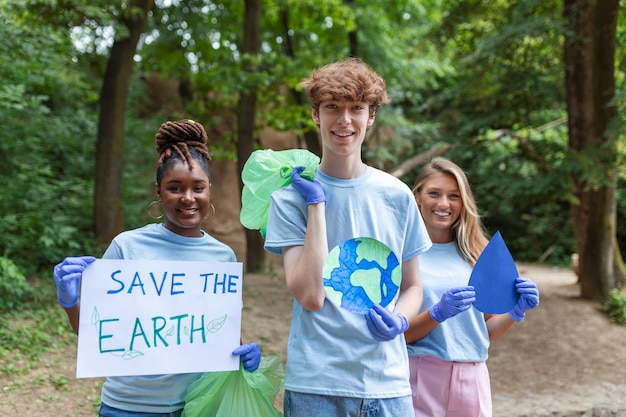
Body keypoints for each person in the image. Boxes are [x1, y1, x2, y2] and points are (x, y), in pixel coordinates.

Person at [53, 119, 261, 417]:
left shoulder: (223, 257)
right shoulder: (127, 247)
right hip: (127, 407)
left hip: (197, 405)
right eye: (174, 188)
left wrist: (243, 354)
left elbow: (217, 331)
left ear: (209, 190)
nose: (187, 198)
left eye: (197, 187)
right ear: (159, 192)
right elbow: (93, 334)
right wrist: (70, 302)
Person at [263, 57, 432, 416]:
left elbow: (413, 286)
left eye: (356, 108)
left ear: (371, 116)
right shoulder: (289, 199)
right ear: (315, 114)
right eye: (332, 108)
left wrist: (401, 319)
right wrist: (316, 205)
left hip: (388, 385)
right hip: (316, 386)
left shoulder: (398, 195)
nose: (344, 120)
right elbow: (310, 295)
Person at [404, 157, 540, 417]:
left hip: (473, 378)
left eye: (454, 196)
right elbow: (399, 337)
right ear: (417, 196)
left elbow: (483, 332)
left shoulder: (478, 254)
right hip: (419, 376)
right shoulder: (403, 255)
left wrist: (515, 312)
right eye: (434, 193)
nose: (444, 204)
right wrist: (437, 313)